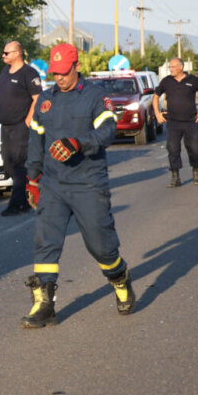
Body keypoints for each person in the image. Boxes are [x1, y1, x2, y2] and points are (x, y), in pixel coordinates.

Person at [21, 42, 133, 328]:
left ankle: (119, 277)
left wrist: (78, 144)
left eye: (64, 71)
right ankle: (43, 304)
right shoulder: (46, 100)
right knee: (45, 243)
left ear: (77, 66)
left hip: (88, 182)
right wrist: (32, 179)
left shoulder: (96, 96)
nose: (59, 77)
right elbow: (36, 141)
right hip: (54, 184)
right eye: (55, 72)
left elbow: (108, 131)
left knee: (101, 247)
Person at [0, 41, 42, 216]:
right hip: (6, 126)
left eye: (6, 53)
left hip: (21, 126)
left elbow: (37, 98)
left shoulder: (29, 73)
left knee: (18, 165)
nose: (3, 56)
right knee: (7, 163)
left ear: (17, 54)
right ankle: (27, 196)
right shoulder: (4, 72)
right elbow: (0, 97)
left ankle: (15, 204)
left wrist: (28, 119)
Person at [152, 57, 198, 187]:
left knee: (195, 148)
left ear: (181, 67)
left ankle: (196, 170)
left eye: (173, 67)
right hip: (173, 122)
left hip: (191, 121)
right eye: (170, 67)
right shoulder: (166, 81)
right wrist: (157, 113)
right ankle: (175, 177)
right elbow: (155, 96)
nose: (170, 69)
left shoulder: (193, 80)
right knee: (173, 149)